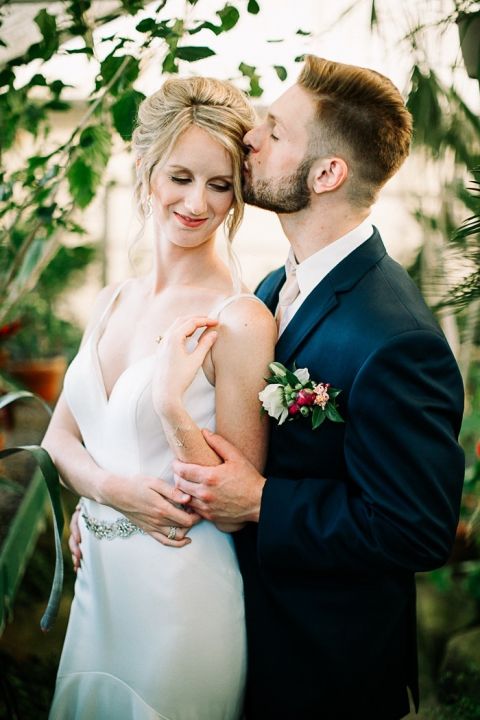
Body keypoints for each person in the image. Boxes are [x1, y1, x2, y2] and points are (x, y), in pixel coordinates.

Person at [69, 57, 465, 719]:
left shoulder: (395, 337)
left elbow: (416, 529)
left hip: (325, 670)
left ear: (327, 173)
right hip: (222, 621)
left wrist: (263, 501)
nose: (250, 136)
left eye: (275, 132)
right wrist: (109, 506)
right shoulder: (277, 288)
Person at [43, 76, 276, 720]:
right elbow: (60, 438)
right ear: (145, 169)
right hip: (100, 593)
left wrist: (173, 406)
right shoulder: (112, 299)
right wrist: (106, 492)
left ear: (238, 196)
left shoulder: (240, 321)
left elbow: (234, 508)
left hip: (182, 602)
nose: (197, 202)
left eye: (220, 184)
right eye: (180, 176)